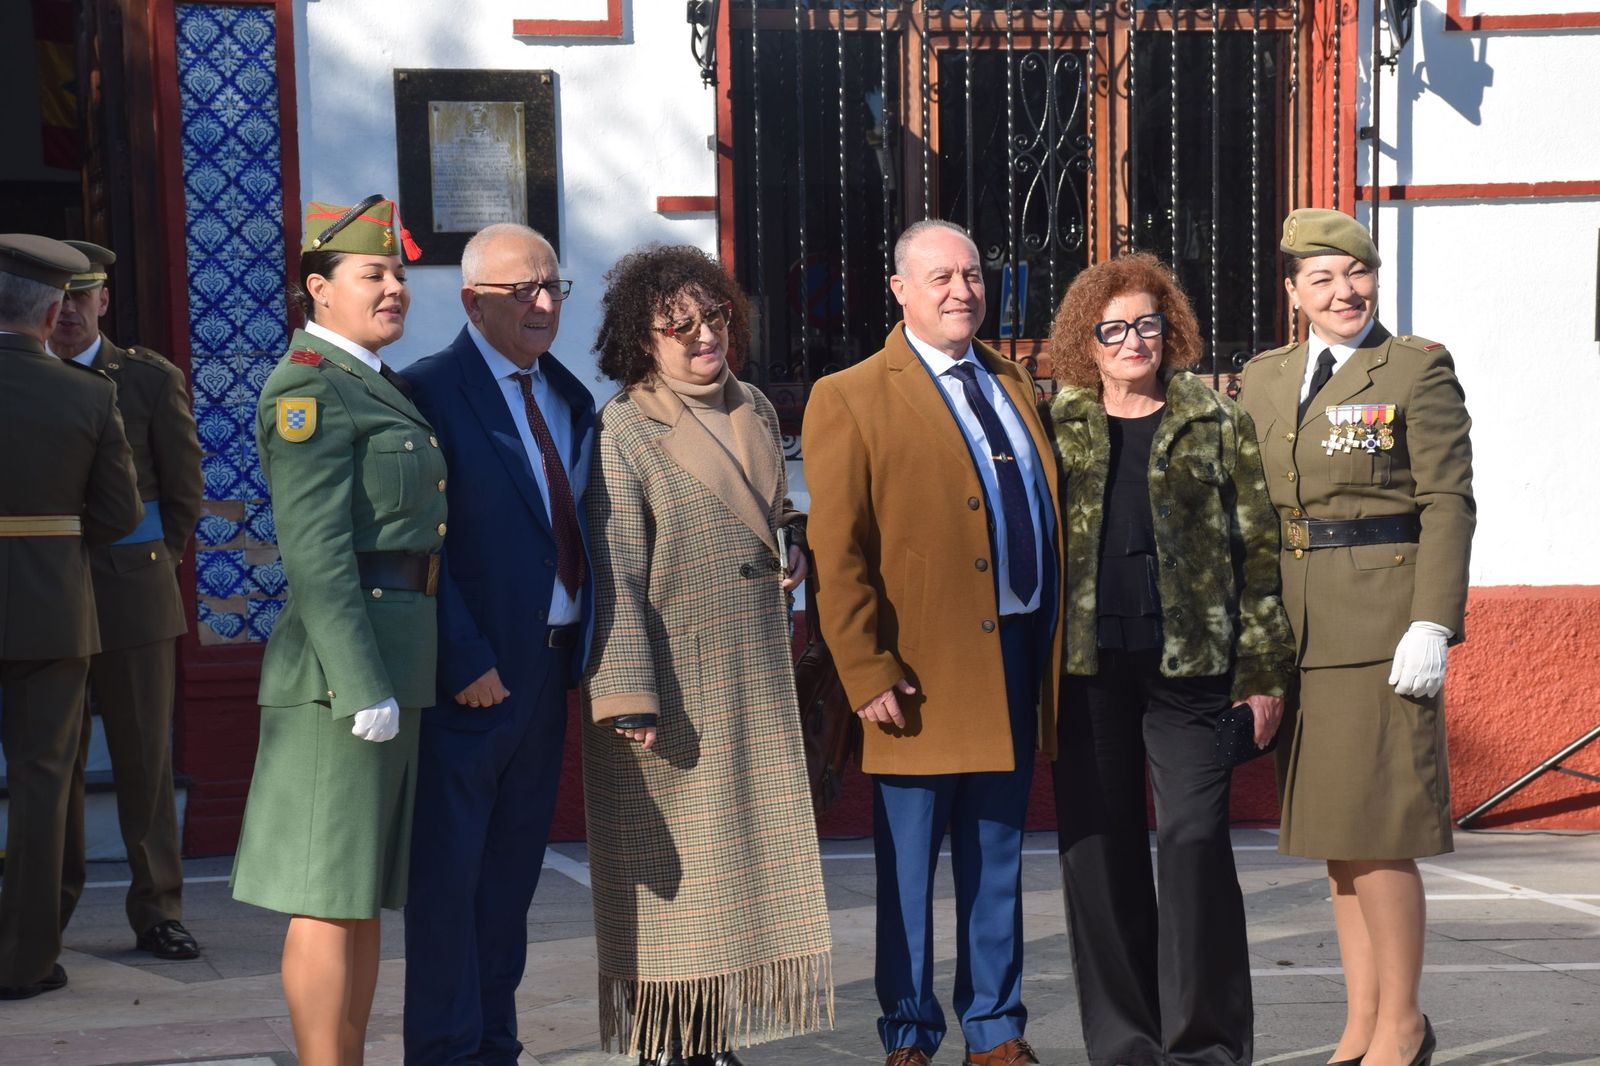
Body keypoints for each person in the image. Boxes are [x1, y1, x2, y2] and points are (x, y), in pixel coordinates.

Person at [803, 219, 1062, 1066]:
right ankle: (908, 1034)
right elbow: (836, 552)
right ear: (900, 289)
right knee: (908, 874)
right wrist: (864, 666)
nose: (962, 290)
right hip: (914, 674)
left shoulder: (1012, 380)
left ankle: (995, 1030)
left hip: (1014, 659)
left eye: (973, 274)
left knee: (996, 862)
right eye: (941, 276)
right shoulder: (850, 394)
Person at [582, 244, 832, 1066]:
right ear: (641, 340)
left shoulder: (755, 404)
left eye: (712, 315)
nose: (700, 336)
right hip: (669, 688)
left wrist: (795, 544)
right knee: (679, 882)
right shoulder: (625, 426)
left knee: (739, 875)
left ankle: (713, 1036)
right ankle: (670, 1044)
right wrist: (626, 693)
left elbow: (773, 510)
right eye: (677, 325)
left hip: (753, 674)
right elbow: (613, 561)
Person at [1043, 253, 1295, 1065]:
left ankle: (1207, 1045)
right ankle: (1125, 1042)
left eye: (1146, 323)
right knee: (1099, 849)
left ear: (1170, 327)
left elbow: (1259, 554)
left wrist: (1262, 677)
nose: (1131, 340)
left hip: (1191, 671)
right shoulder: (1060, 420)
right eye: (1112, 328)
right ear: (1089, 339)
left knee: (1191, 839)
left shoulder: (1214, 419)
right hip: (1087, 673)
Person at [1238, 208, 1474, 1066]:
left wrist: (1433, 619)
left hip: (1382, 626)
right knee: (1338, 842)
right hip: (1297, 628)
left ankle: (1403, 1024)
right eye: (1324, 278)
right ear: (1295, 292)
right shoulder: (1264, 380)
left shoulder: (1413, 370)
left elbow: (1448, 501)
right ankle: (1362, 1021)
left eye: (1359, 274)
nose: (1346, 292)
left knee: (1379, 836)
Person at [229, 196, 446, 1066]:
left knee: (357, 892)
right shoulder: (306, 387)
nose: (394, 288)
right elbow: (316, 556)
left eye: (398, 274)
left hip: (395, 657)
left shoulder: (375, 383)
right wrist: (362, 683)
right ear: (320, 291)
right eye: (373, 275)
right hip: (338, 676)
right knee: (325, 891)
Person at [401, 223, 596, 1066]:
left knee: (512, 880)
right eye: (526, 292)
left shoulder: (569, 395)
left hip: (549, 671)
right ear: (473, 298)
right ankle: (444, 1049)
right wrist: (463, 659)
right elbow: (418, 548)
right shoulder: (428, 393)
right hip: (470, 683)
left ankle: (493, 1045)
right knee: (449, 886)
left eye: (554, 288)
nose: (546, 306)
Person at [49, 239, 206, 961]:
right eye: (59, 297)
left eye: (84, 296)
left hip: (134, 591)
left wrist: (160, 562)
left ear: (104, 300)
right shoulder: (20, 375)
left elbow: (182, 488)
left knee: (144, 758)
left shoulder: (145, 379)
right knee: (50, 759)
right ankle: (45, 910)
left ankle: (158, 910)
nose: (72, 310)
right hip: (42, 592)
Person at [0, 234, 142, 1000]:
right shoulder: (88, 395)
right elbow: (119, 516)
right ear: (55, 309)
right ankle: (22, 960)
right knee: (43, 783)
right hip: (51, 607)